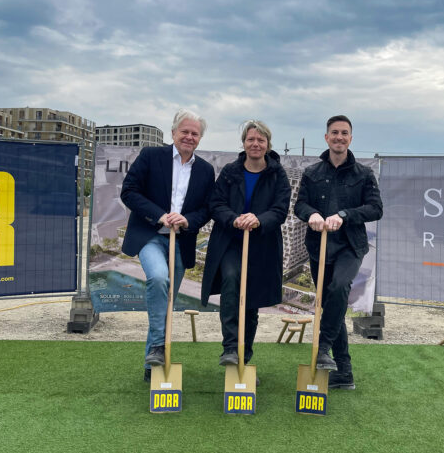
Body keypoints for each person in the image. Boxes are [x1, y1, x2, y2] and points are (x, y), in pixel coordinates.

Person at [120, 109, 215, 382]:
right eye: (184, 131)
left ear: (200, 138)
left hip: (180, 241)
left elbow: (207, 208)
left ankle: (152, 365)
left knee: (167, 300)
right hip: (150, 235)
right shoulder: (151, 156)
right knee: (159, 278)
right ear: (173, 133)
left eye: (194, 133)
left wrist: (187, 220)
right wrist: (160, 215)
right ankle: (158, 346)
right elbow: (129, 191)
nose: (189, 137)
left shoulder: (205, 170)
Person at [294, 115, 383, 390]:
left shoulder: (363, 174)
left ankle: (323, 349)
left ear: (350, 138)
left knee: (339, 287)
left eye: (344, 133)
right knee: (331, 305)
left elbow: (375, 209)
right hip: (319, 247)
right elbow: (300, 205)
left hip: (350, 246)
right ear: (326, 137)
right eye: (334, 132)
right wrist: (312, 215)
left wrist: (344, 215)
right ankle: (344, 373)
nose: (339, 137)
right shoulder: (312, 172)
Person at [201, 120, 291, 375]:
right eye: (251, 139)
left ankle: (243, 358)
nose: (255, 144)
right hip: (230, 241)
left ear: (268, 144)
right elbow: (216, 203)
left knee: (251, 302)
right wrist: (234, 219)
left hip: (262, 245)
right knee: (231, 280)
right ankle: (230, 347)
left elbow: (280, 209)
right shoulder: (230, 171)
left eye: (260, 140)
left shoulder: (277, 174)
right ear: (243, 143)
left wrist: (258, 219)